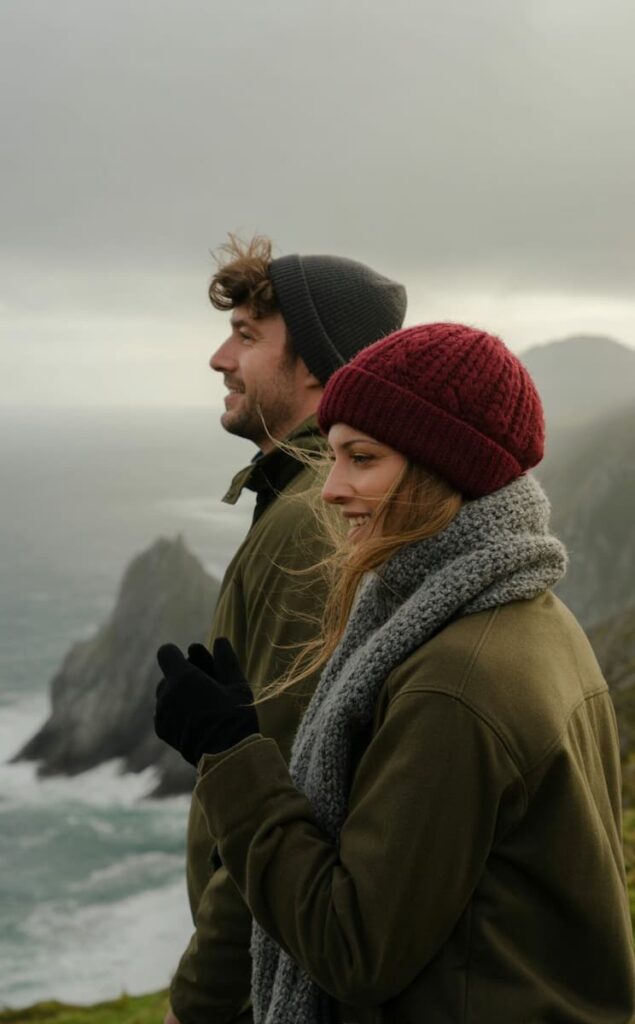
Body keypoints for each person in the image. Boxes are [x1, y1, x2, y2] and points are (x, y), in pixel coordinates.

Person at [155, 322, 635, 1024]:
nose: (331, 488)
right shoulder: (532, 614)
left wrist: (231, 754)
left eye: (362, 458)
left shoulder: (455, 683)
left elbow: (352, 948)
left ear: (445, 469)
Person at [166, 236, 407, 1024]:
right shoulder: (301, 498)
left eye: (244, 337)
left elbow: (286, 782)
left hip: (268, 977)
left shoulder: (311, 522)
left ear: (313, 367)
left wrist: (202, 999)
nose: (217, 359)